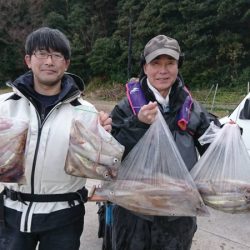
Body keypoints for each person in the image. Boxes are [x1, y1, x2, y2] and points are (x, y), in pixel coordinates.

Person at [0, 27, 112, 250]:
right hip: (12, 212)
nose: (49, 61)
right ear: (28, 60)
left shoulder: (87, 112)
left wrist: (105, 139)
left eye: (57, 55)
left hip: (65, 215)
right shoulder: (4, 106)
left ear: (67, 63)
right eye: (42, 53)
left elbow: (101, 165)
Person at [109, 34, 221, 250]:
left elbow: (212, 147)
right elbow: (110, 154)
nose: (163, 70)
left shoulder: (192, 108)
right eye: (156, 63)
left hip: (177, 216)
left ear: (178, 66)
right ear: (145, 67)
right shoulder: (126, 108)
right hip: (133, 214)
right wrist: (138, 123)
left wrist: (227, 134)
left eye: (170, 63)